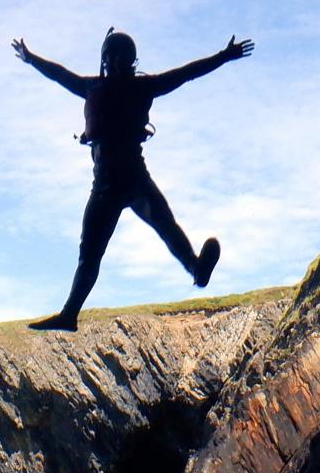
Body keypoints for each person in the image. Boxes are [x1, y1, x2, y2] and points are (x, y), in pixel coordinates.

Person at [13, 28, 253, 330]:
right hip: (120, 182)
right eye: (113, 57)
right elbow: (59, 73)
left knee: (114, 245)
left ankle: (194, 270)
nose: (115, 62)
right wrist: (31, 58)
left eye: (119, 58)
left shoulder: (109, 87)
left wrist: (223, 56)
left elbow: (186, 73)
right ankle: (71, 313)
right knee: (119, 242)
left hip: (119, 182)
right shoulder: (123, 87)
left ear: (125, 61)